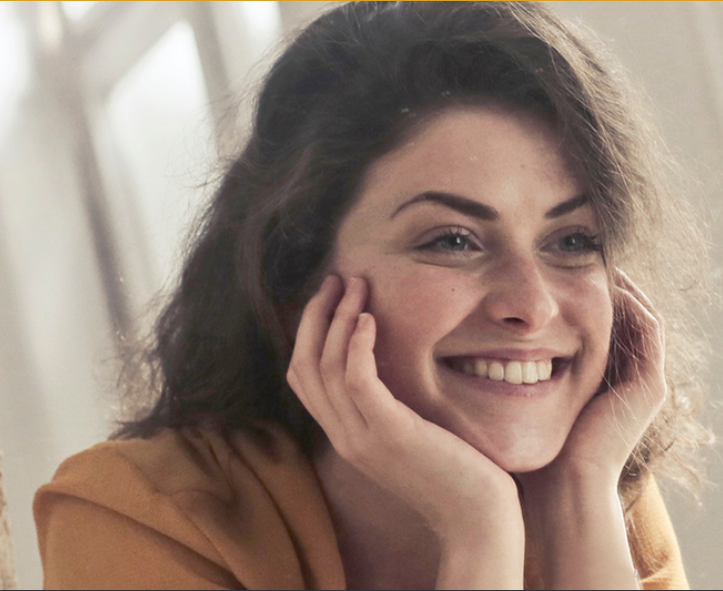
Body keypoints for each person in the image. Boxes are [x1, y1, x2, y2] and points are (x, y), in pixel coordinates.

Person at [34, 2, 711, 589]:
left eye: (569, 241)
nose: (531, 305)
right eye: (451, 240)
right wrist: (478, 533)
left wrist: (576, 500)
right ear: (296, 273)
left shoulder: (590, 486)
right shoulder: (141, 512)